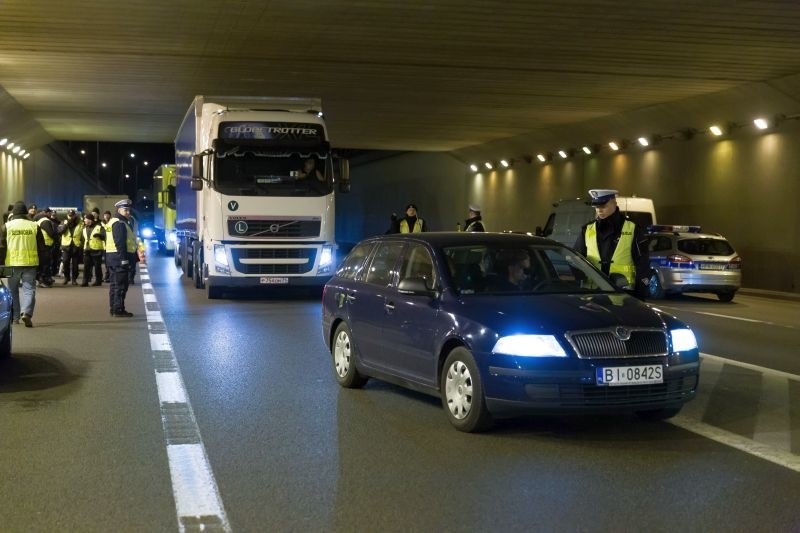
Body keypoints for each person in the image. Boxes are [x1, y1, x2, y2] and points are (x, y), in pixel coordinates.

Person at [573, 189, 649, 298]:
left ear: (614, 204)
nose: (599, 210)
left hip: (624, 293)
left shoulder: (632, 229)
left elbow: (643, 263)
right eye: (596, 207)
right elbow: (576, 259)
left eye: (603, 206)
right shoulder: (587, 230)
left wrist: (640, 293)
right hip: (593, 293)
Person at [0, 201, 46, 327]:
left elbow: (2, 247)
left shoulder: (6, 226)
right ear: (26, 213)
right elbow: (41, 248)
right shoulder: (34, 226)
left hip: (12, 264)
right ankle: (26, 313)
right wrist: (43, 265)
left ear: (13, 213)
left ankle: (15, 318)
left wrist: (1, 264)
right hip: (30, 264)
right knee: (29, 290)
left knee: (12, 291)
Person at [106, 199, 137, 317]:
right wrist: (124, 259)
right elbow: (120, 242)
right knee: (120, 285)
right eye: (126, 210)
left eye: (129, 210)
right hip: (120, 258)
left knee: (114, 285)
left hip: (112, 257)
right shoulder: (119, 223)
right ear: (119, 210)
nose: (128, 212)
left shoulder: (113, 221)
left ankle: (114, 308)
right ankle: (118, 309)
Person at [57, 209, 82, 285]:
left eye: (72, 215)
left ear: (75, 215)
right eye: (69, 215)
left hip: (75, 246)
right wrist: (66, 224)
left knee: (75, 265)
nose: (71, 217)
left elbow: (83, 234)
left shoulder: (80, 223)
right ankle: (66, 278)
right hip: (66, 246)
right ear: (67, 215)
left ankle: (74, 279)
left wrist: (81, 243)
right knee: (65, 262)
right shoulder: (64, 222)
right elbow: (60, 232)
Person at [34, 207, 57, 287]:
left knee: (43, 264)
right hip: (45, 245)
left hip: (41, 245)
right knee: (45, 265)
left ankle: (43, 280)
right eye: (50, 213)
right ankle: (43, 281)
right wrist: (57, 233)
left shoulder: (39, 221)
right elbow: (51, 233)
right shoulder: (45, 221)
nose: (51, 214)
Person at [81, 212, 105, 286]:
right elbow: (82, 239)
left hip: (96, 250)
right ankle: (85, 281)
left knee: (97, 266)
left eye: (86, 219)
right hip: (87, 250)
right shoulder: (84, 228)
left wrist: (100, 235)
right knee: (86, 266)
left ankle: (98, 281)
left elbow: (104, 236)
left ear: (90, 220)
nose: (84, 220)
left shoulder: (99, 227)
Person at [101, 210, 112, 282]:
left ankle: (109, 276)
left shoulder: (111, 223)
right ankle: (107, 276)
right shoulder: (101, 223)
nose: (106, 216)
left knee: (110, 262)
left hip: (110, 246)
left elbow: (109, 231)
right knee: (106, 262)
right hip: (103, 246)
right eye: (105, 215)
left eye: (107, 215)